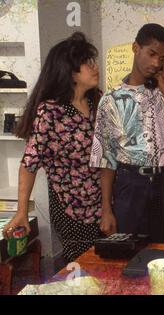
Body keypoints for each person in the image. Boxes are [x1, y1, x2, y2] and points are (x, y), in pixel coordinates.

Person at [1, 32, 103, 262]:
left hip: (105, 205)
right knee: (82, 271)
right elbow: (29, 164)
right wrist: (21, 212)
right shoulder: (51, 111)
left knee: (109, 267)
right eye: (87, 63)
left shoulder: (97, 101)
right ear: (70, 72)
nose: (94, 67)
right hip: (71, 211)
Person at [90, 24, 164, 244]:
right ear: (135, 47)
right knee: (130, 253)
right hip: (130, 183)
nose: (156, 63)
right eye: (152, 53)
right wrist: (106, 210)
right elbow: (106, 159)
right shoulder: (111, 99)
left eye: (163, 58)